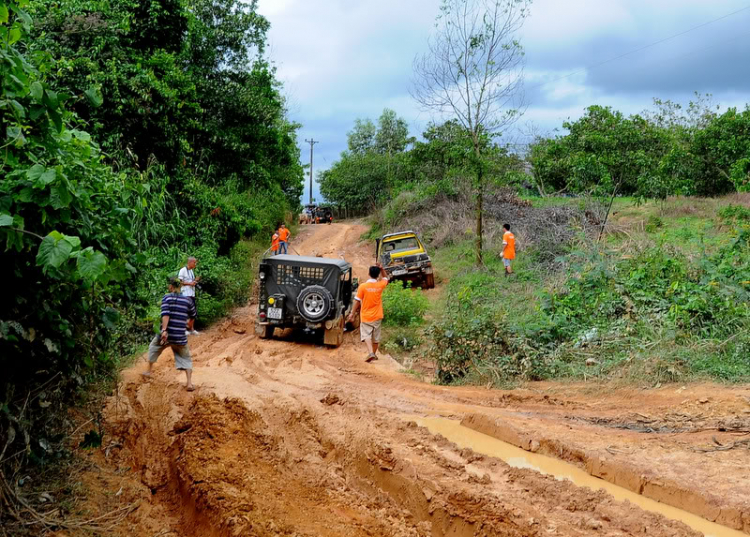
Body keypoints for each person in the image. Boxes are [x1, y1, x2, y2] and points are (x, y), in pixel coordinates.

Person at [142, 277, 197, 391]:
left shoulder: (167, 298)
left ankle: (148, 371)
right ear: (180, 287)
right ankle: (189, 383)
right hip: (179, 336)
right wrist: (190, 327)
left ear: (171, 287)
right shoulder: (188, 301)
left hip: (166, 336)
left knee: (153, 347)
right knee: (186, 357)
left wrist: (164, 330)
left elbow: (165, 314)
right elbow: (192, 316)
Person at [347, 264, 389, 363]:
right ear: (378, 275)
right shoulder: (380, 285)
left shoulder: (363, 286)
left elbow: (357, 301)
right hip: (378, 316)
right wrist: (382, 269)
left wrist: (352, 314)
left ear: (369, 274)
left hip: (366, 316)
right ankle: (373, 354)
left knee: (366, 335)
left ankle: (371, 353)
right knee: (376, 337)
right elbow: (386, 278)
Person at [178, 256, 200, 335]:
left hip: (191, 294)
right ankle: (184, 330)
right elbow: (179, 282)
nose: (195, 264)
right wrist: (190, 283)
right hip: (185, 294)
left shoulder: (191, 271)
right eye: (194, 262)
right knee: (185, 312)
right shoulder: (183, 270)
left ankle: (191, 329)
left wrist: (195, 281)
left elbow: (191, 282)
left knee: (192, 313)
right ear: (190, 262)